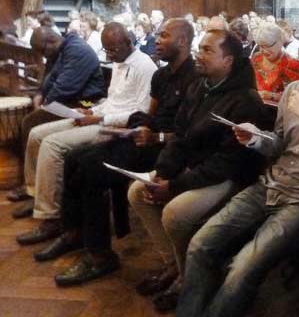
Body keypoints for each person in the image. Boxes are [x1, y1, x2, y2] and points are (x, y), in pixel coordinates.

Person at [175, 23, 299, 317]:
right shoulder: (294, 90)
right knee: (200, 244)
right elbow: (281, 143)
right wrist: (256, 138)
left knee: (243, 266)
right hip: (269, 184)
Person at [30, 20, 199, 286]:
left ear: (182, 41)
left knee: (92, 168)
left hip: (169, 148)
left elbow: (189, 132)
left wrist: (154, 135)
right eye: (158, 34)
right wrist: (140, 128)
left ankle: (101, 256)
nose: (157, 39)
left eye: (164, 35)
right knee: (75, 158)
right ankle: (74, 232)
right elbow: (150, 115)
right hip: (146, 139)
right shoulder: (162, 75)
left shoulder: (195, 78)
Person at [128, 29, 267, 311]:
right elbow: (180, 135)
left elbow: (226, 163)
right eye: (199, 48)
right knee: (137, 191)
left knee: (175, 213)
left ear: (228, 60)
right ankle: (173, 265)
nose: (198, 55)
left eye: (207, 50)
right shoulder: (199, 87)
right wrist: (163, 171)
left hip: (228, 177)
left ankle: (188, 278)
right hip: (196, 167)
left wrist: (174, 186)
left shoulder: (246, 100)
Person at [15, 23, 157, 246]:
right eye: (106, 50)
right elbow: (113, 101)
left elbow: (141, 113)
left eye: (112, 50)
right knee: (36, 133)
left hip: (118, 128)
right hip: (101, 117)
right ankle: (37, 195)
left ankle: (51, 216)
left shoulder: (145, 66)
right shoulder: (120, 61)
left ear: (128, 43)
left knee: (52, 144)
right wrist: (92, 111)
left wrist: (99, 118)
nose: (108, 56)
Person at [7, 25, 106, 212]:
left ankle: (37, 189)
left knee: (32, 122)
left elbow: (65, 87)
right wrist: (39, 94)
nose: (42, 56)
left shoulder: (77, 51)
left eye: (42, 51)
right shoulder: (57, 51)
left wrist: (46, 104)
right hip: (69, 100)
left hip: (86, 103)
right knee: (30, 121)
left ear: (51, 42)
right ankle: (33, 188)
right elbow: (49, 79)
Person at [251, 23, 299, 102]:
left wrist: (272, 96)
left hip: (277, 108)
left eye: (268, 46)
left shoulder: (292, 64)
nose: (263, 51)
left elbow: (295, 96)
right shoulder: (257, 58)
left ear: (280, 41)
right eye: (261, 46)